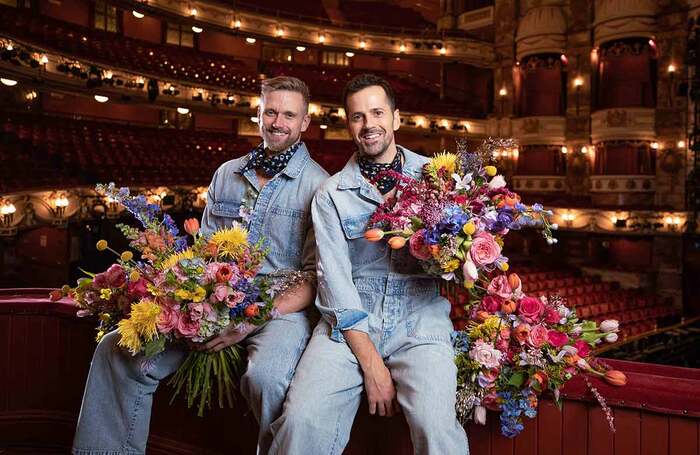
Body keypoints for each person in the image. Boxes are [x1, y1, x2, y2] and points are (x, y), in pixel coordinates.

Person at [72, 76, 329, 455]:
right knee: (117, 349)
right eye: (270, 111)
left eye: (289, 115)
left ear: (305, 122)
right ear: (258, 114)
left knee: (268, 380)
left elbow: (312, 278)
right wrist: (191, 302)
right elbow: (202, 250)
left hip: (277, 311)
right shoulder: (227, 173)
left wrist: (249, 319)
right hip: (209, 298)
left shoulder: (319, 185)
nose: (278, 122)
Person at [269, 73, 469, 455]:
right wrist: (373, 366)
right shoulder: (330, 194)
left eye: (377, 112)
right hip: (348, 325)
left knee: (436, 427)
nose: (368, 124)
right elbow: (334, 285)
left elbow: (460, 263)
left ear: (395, 118)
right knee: (300, 421)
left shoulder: (438, 178)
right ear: (349, 124)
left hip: (420, 321)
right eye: (358, 117)